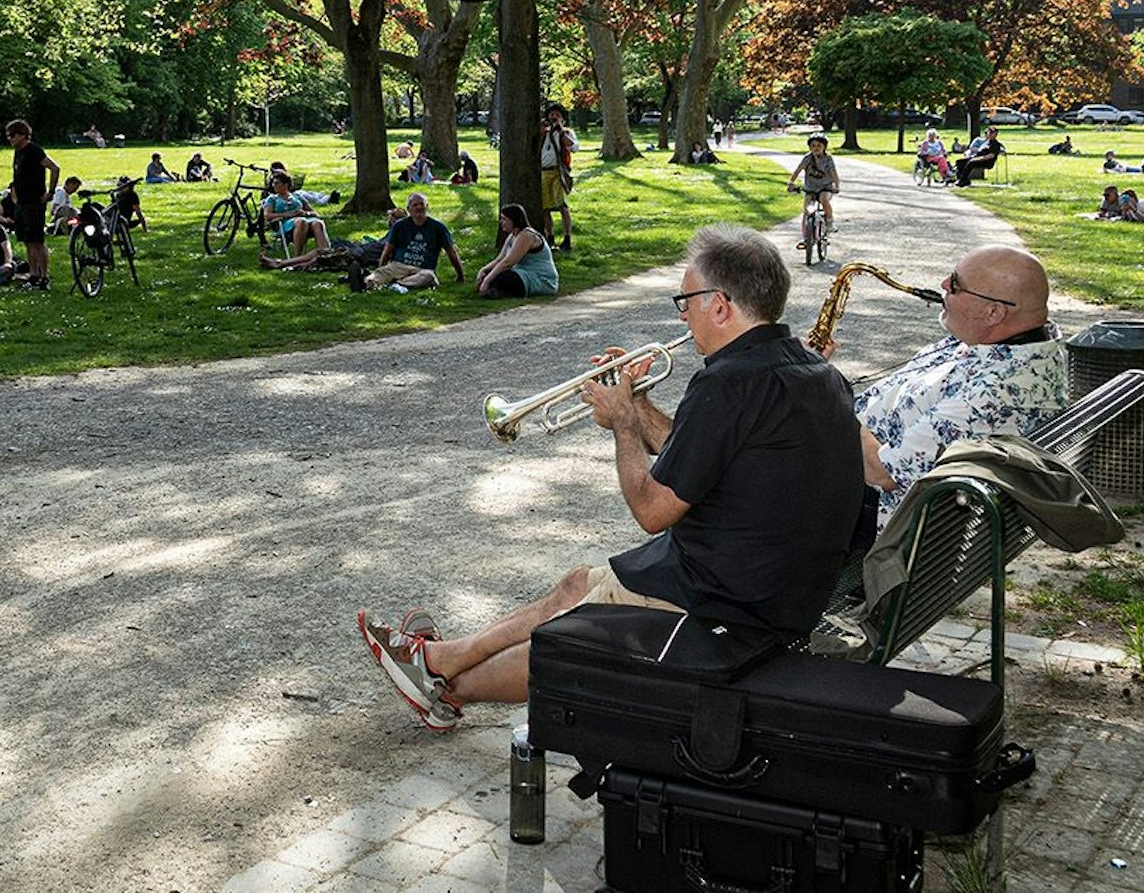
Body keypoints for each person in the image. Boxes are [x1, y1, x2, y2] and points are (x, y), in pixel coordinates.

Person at [356, 225, 863, 729]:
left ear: (720, 306)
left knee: (571, 629)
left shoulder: (729, 383)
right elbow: (702, 455)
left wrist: (622, 425)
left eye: (685, 301)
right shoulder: (814, 373)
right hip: (771, 584)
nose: (681, 315)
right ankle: (439, 661)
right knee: (576, 583)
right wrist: (637, 404)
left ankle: (445, 686)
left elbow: (652, 510)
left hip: (724, 599)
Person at [849, 246, 1067, 531]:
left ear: (993, 312)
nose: (943, 285)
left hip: (869, 511)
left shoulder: (992, 396)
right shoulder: (1011, 345)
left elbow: (883, 473)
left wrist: (825, 392)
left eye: (955, 284)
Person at [360, 193, 464, 293]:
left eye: (421, 204)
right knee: (378, 275)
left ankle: (397, 284)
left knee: (429, 277)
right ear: (409, 209)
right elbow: (387, 249)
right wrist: (381, 268)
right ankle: (364, 282)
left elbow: (451, 252)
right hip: (399, 266)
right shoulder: (399, 226)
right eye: (415, 205)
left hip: (423, 269)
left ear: (427, 207)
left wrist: (460, 275)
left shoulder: (438, 228)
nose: (419, 207)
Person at [7, 119, 60, 289]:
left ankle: (44, 276)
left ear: (23, 135)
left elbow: (54, 168)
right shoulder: (18, 152)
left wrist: (50, 192)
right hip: (21, 202)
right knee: (27, 240)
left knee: (37, 240)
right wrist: (14, 196)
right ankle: (33, 274)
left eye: (13, 135)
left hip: (35, 201)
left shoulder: (34, 151)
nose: (10, 139)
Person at [473, 203, 558, 299]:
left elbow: (508, 262)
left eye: (504, 219)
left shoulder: (527, 235)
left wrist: (487, 280)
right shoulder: (512, 236)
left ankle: (496, 291)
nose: (501, 222)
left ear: (513, 219)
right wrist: (483, 270)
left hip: (539, 279)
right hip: (521, 273)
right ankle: (495, 291)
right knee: (491, 273)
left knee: (501, 277)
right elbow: (500, 259)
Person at [258, 172, 333, 270]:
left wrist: (305, 213)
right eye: (273, 183)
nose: (273, 185)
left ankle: (324, 254)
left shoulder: (297, 196)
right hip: (285, 223)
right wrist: (288, 214)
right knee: (301, 222)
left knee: (317, 223)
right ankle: (297, 257)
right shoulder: (272, 199)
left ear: (285, 184)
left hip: (305, 220)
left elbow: (314, 212)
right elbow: (267, 215)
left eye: (277, 183)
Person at [785, 134, 840, 243]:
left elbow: (834, 173)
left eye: (819, 145)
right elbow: (798, 170)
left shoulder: (828, 159)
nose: (816, 148)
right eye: (813, 146)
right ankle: (806, 237)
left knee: (824, 200)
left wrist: (837, 186)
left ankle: (830, 221)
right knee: (806, 211)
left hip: (825, 187)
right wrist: (791, 182)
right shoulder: (807, 158)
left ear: (824, 147)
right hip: (810, 188)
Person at [539, 103, 576, 250]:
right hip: (543, 173)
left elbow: (573, 147)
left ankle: (567, 238)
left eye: (557, 115)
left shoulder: (566, 132)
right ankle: (550, 237)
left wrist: (560, 131)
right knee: (545, 208)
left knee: (562, 206)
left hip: (557, 173)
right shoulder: (543, 131)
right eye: (552, 114)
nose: (554, 117)